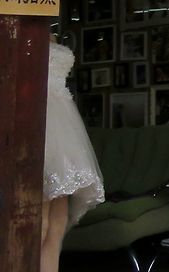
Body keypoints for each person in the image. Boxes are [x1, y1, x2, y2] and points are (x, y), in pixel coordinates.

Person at [42, 41, 105, 272]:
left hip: (65, 128)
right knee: (40, 221)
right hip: (39, 120)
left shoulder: (52, 31)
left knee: (57, 224)